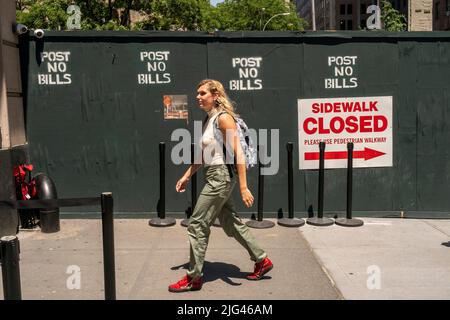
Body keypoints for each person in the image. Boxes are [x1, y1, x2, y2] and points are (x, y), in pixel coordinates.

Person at [168, 79, 273, 293]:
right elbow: (205, 155)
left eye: (202, 93)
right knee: (230, 221)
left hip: (220, 177)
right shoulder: (210, 119)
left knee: (197, 223)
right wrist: (187, 175)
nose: (198, 96)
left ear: (215, 95)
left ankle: (193, 278)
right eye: (197, 93)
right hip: (214, 175)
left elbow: (239, 153)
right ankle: (262, 260)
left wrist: (243, 186)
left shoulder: (223, 118)